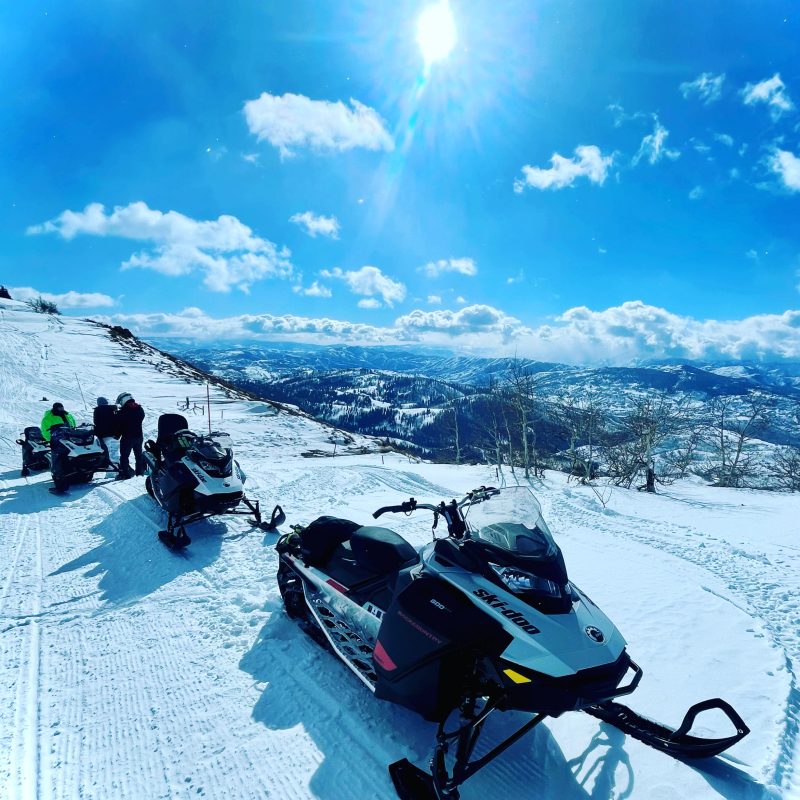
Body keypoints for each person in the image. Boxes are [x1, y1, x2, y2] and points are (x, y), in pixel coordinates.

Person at [115, 392, 145, 479]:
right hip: (139, 436)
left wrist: (117, 435)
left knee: (124, 456)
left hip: (127, 437)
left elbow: (120, 426)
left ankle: (125, 474)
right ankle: (140, 473)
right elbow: (141, 418)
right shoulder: (140, 409)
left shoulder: (123, 412)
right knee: (138, 455)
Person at [93, 397, 119, 469]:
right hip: (114, 433)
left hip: (102, 434)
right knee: (114, 452)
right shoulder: (113, 409)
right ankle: (118, 467)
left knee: (105, 451)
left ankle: (108, 466)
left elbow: (96, 422)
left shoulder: (97, 410)